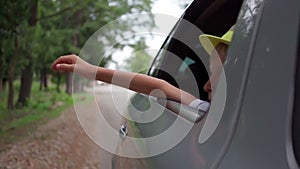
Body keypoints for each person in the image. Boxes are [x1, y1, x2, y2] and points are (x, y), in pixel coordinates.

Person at [51, 26, 234, 111]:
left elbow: (161, 86)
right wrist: (93, 71)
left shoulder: (203, 111)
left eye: (217, 76)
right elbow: (161, 86)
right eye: (210, 74)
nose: (206, 86)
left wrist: (93, 71)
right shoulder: (204, 108)